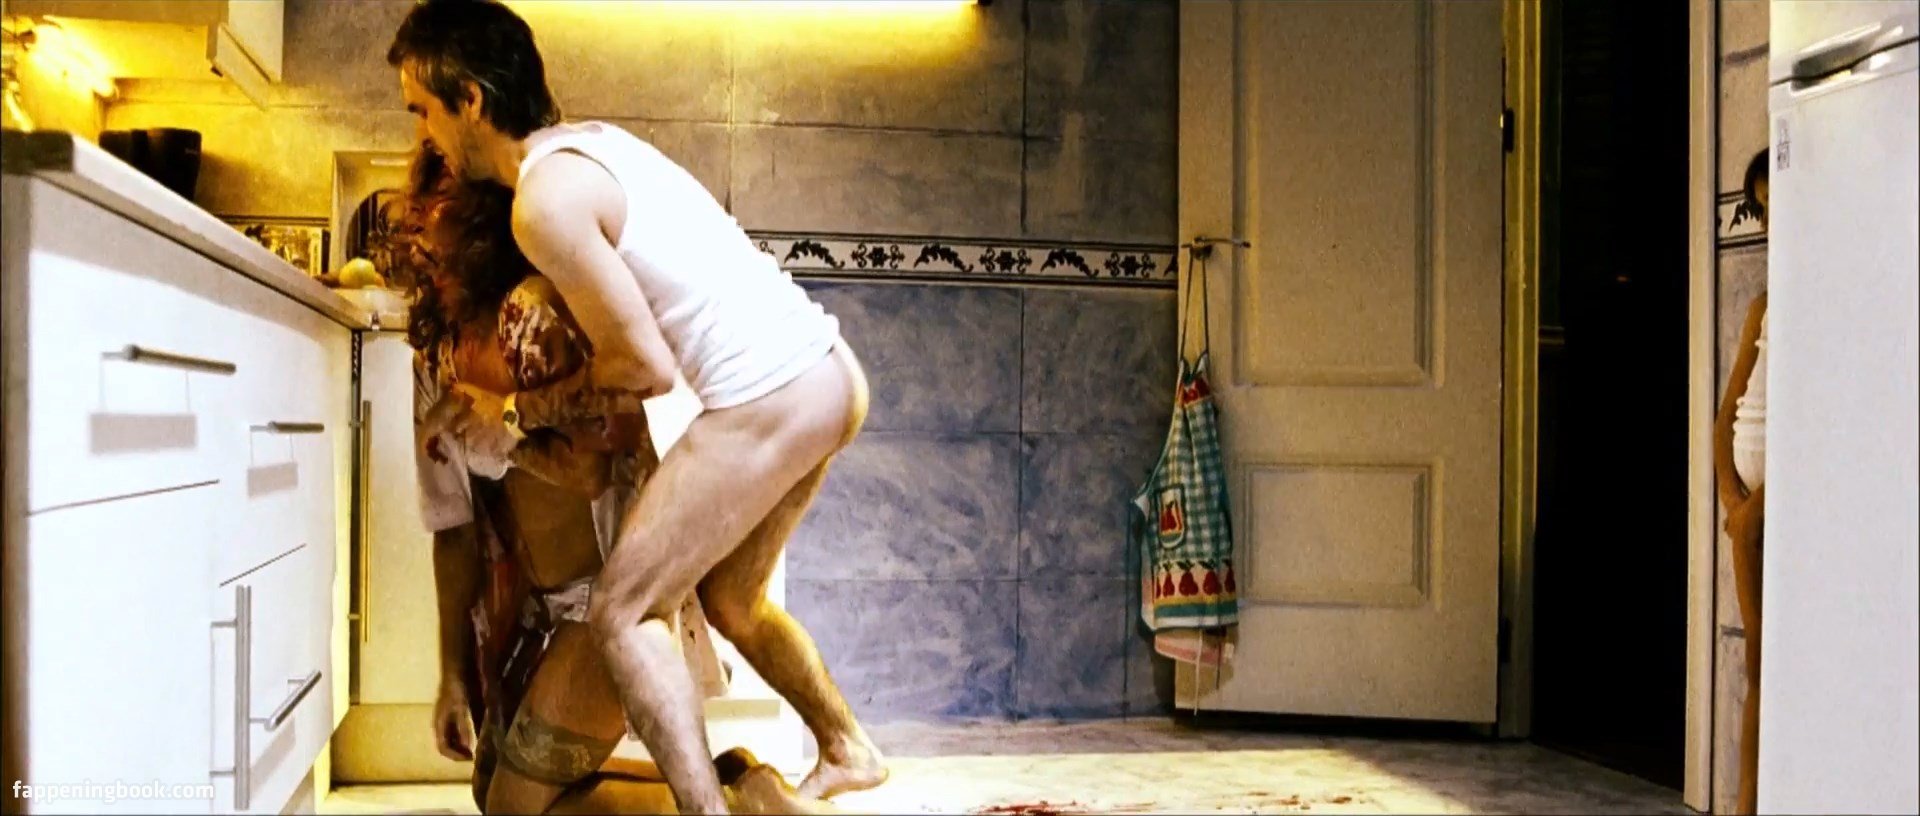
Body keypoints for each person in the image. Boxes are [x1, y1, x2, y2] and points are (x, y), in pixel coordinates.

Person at [387, 2, 886, 812]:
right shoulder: (592, 148)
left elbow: (643, 368)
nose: (423, 133)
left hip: (769, 393)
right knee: (732, 600)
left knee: (621, 612)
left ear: (470, 99)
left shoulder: (541, 203)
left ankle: (707, 810)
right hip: (827, 374)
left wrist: (512, 414)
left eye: (423, 109)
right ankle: (845, 745)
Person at [1714, 147, 1769, 816]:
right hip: (1746, 514)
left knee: (1779, 654)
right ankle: (1745, 802)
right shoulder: (1763, 306)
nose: (1772, 221)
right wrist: (1733, 497)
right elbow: (1726, 414)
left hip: (1775, 511)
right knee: (1759, 659)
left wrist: (1760, 509)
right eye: (1763, 209)